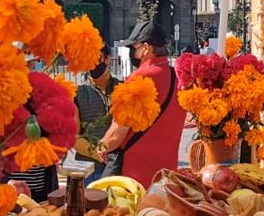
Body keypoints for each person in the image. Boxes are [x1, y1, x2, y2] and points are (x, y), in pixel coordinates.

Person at [95, 21, 185, 185]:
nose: (131, 52)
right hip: (166, 175)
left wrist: (102, 146)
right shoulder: (177, 78)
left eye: (133, 48)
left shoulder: (140, 78)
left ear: (146, 48)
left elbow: (116, 134)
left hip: (134, 176)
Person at [72, 46, 120, 181]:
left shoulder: (124, 88)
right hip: (89, 168)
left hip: (119, 165)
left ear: (107, 59)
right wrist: (98, 154)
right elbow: (74, 137)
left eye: (96, 58)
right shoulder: (76, 93)